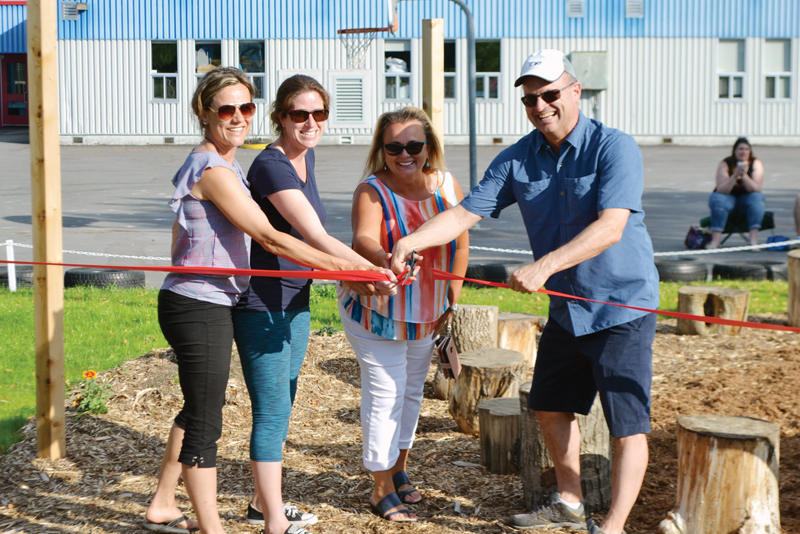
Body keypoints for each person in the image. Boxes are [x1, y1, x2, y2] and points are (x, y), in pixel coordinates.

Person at [390, 50, 659, 534]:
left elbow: (612, 226)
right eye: (530, 98)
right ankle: (571, 502)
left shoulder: (614, 147)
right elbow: (465, 212)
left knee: (627, 424)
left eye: (550, 94)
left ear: (575, 91)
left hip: (622, 305)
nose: (540, 105)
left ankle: (614, 526)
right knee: (551, 405)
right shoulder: (518, 157)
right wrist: (410, 241)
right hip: (568, 308)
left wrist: (547, 265)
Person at [143, 67, 385, 534]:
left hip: (211, 298)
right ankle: (214, 528)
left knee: (199, 407)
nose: (238, 117)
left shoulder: (226, 162)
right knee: (205, 421)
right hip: (199, 302)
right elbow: (271, 238)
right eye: (227, 109)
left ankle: (161, 503)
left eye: (245, 108)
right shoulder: (213, 168)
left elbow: (183, 232)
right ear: (204, 112)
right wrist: (351, 271)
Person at [232, 75, 396, 534]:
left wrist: (369, 270)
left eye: (318, 113)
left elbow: (319, 243)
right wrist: (367, 273)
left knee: (284, 397)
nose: (309, 122)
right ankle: (274, 524)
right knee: (271, 411)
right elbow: (315, 237)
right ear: (280, 117)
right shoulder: (271, 166)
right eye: (298, 114)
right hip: (260, 304)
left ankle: (261, 502)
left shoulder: (305, 159)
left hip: (295, 299)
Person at [337, 107, 469, 522]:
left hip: (428, 312)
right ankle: (380, 488)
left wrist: (453, 298)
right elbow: (362, 239)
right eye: (394, 146)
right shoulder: (372, 190)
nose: (404, 153)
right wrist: (385, 257)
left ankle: (397, 469)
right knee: (385, 395)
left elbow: (460, 243)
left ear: (429, 147)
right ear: (382, 149)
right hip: (377, 312)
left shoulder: (447, 185)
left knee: (411, 394)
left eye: (414, 145)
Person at [707, 137, 766, 249]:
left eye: (746, 149)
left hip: (746, 199)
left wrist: (744, 175)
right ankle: (715, 242)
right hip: (728, 198)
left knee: (757, 198)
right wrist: (734, 176)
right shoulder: (726, 163)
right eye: (740, 149)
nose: (743, 152)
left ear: (750, 151)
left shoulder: (755, 163)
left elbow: (755, 188)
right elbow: (722, 189)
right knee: (718, 199)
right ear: (734, 151)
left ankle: (753, 242)